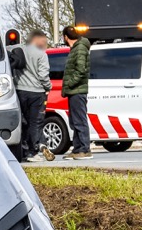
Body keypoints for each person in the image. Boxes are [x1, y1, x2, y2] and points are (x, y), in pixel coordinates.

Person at [14, 31, 55, 162]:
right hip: (37, 93)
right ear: (37, 40)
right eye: (44, 41)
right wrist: (48, 87)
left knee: (24, 122)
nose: (45, 44)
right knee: (35, 123)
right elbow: (43, 76)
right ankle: (33, 151)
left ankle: (25, 150)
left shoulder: (17, 50)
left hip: (20, 90)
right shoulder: (41, 55)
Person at [61, 26, 93, 160]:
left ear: (66, 37)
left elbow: (80, 70)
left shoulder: (79, 49)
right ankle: (78, 148)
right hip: (74, 90)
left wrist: (69, 84)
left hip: (77, 90)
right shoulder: (77, 48)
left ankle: (85, 149)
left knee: (80, 120)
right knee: (75, 121)